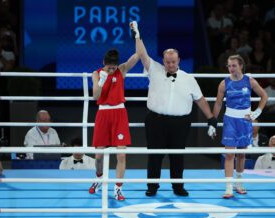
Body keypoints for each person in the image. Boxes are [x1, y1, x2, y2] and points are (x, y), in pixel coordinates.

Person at [130, 21, 216, 197]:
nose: (170, 64)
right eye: (167, 62)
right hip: (156, 120)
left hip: (181, 122)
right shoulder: (154, 69)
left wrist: (211, 118)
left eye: (173, 62)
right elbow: (142, 53)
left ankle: (178, 186)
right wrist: (137, 36)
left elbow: (200, 99)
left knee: (178, 156)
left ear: (179, 61)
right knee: (155, 155)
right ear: (163, 61)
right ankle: (152, 187)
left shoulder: (188, 78)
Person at [210, 54, 268, 199]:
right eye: (229, 66)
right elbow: (218, 103)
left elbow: (264, 96)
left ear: (241, 66)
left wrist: (257, 112)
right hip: (230, 120)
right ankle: (229, 187)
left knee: (242, 154)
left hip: (245, 120)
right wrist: (212, 122)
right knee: (230, 154)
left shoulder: (250, 81)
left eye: (234, 65)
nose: (231, 68)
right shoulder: (224, 83)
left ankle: (239, 182)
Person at [88, 48, 139, 201]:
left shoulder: (121, 70)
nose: (111, 70)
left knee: (122, 155)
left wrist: (137, 35)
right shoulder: (96, 74)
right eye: (109, 67)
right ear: (104, 63)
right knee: (98, 156)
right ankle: (99, 178)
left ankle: (118, 188)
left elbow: (137, 55)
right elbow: (95, 96)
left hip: (119, 114)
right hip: (103, 113)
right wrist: (102, 81)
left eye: (114, 67)